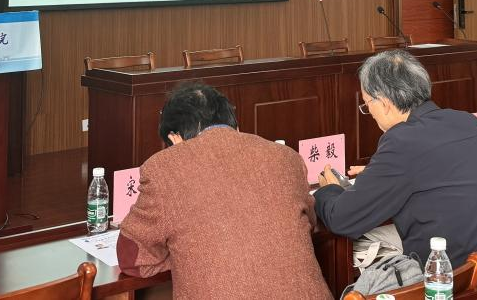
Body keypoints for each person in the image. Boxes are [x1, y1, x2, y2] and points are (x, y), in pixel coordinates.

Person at [314, 50, 477, 285]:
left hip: (461, 282)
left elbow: (343, 218)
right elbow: (437, 171)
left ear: (384, 103)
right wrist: (378, 174)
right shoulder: (467, 121)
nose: (370, 113)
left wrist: (329, 190)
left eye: (367, 104)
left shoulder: (402, 140)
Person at [117, 82, 332, 300]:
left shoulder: (163, 169)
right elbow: (309, 223)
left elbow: (133, 258)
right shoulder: (286, 157)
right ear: (235, 127)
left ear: (174, 139)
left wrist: (187, 254)